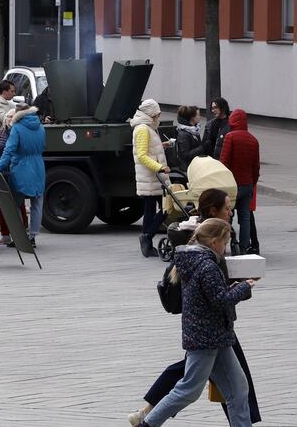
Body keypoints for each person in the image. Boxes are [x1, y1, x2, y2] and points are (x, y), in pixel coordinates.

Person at [128, 189, 260, 426]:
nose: (226, 248)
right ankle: (147, 423)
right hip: (206, 338)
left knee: (239, 389)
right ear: (214, 242)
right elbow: (220, 299)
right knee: (188, 390)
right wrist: (245, 286)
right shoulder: (207, 266)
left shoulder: (197, 259)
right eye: (225, 243)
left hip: (216, 336)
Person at [0, 104, 44, 247]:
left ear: (17, 114)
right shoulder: (40, 127)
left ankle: (20, 236)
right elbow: (43, 146)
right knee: (37, 203)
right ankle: (33, 237)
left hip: (21, 167)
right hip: (38, 166)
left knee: (15, 203)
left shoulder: (17, 128)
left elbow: (9, 150)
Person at [130, 99, 171, 257]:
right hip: (151, 176)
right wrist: (159, 167)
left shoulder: (146, 127)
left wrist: (162, 145)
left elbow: (147, 149)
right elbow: (141, 155)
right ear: (151, 113)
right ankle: (147, 237)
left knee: (151, 210)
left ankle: (147, 240)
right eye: (157, 113)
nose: (158, 116)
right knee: (166, 208)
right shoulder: (142, 129)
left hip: (152, 177)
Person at [0, 107, 32, 243]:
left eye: (13, 116)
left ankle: (22, 232)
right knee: (3, 203)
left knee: (19, 203)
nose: (11, 119)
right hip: (2, 174)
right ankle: (5, 235)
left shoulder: (21, 134)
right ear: (5, 120)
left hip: (17, 174)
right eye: (9, 117)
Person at [220, 109, 260, 253]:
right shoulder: (253, 140)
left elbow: (224, 163)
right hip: (247, 184)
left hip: (232, 185)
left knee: (226, 216)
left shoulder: (230, 137)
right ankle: (244, 247)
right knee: (245, 217)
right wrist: (252, 182)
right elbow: (256, 167)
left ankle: (224, 245)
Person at [175, 106, 206, 173]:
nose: (200, 117)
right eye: (198, 115)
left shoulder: (194, 130)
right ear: (192, 117)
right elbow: (185, 155)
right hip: (188, 169)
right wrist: (202, 147)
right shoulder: (183, 134)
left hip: (195, 166)